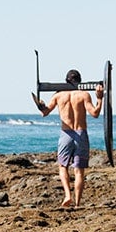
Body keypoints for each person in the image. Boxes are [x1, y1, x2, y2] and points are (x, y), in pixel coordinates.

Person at [32, 70, 103, 209]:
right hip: (81, 132)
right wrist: (100, 98)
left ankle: (67, 195)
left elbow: (44, 113)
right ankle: (77, 204)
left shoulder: (58, 95)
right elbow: (95, 113)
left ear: (65, 81)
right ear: (80, 81)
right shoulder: (84, 94)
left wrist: (40, 104)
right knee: (79, 170)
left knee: (62, 166)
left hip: (66, 134)